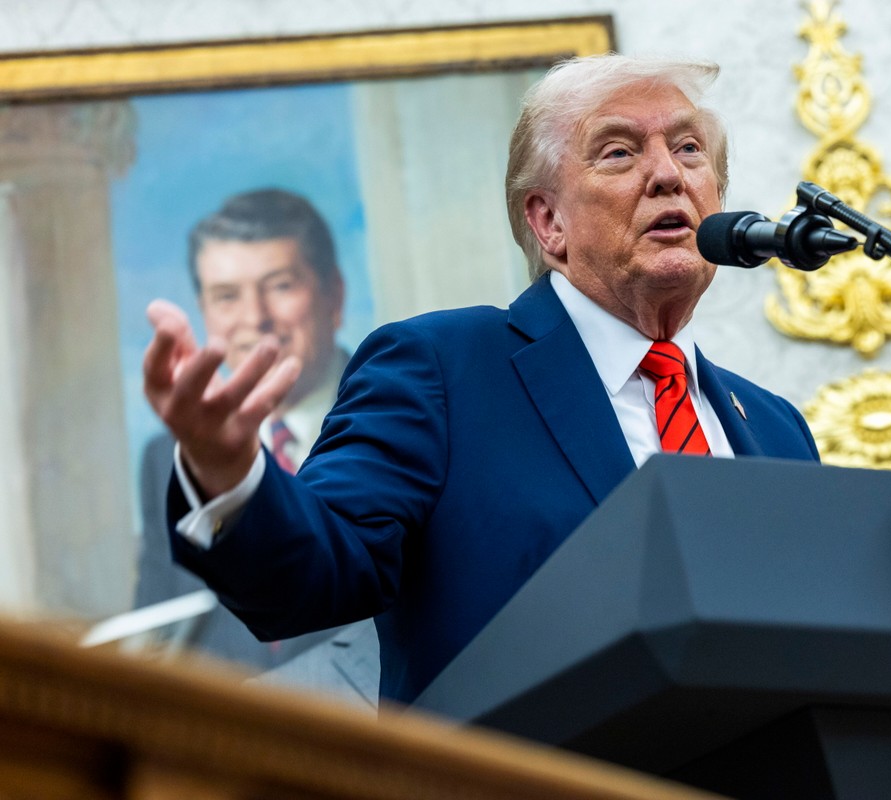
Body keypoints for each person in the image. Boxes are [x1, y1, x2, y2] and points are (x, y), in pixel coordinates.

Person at [142, 55, 820, 706]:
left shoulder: (774, 426)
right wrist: (226, 475)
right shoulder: (442, 369)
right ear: (547, 221)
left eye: (690, 150)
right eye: (618, 152)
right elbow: (316, 576)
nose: (668, 175)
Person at [135, 188, 359, 673]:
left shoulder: (403, 418)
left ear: (334, 295)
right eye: (227, 296)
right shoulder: (169, 458)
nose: (255, 318)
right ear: (204, 310)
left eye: (280, 285)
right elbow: (157, 637)